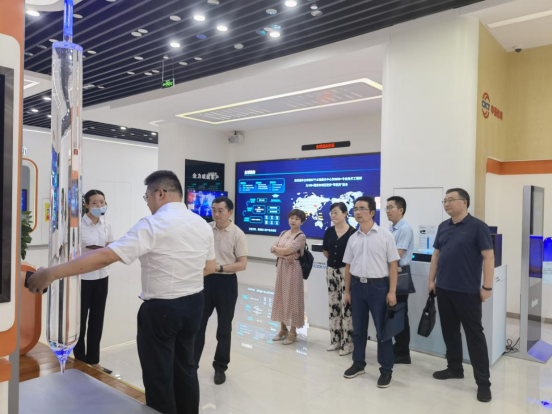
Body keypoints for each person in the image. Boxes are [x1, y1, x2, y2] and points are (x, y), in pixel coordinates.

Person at [28, 170, 216, 414]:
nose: (147, 203)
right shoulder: (201, 224)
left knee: (159, 375)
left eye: (147, 197)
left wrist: (52, 273)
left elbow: (106, 256)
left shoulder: (153, 224)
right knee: (186, 368)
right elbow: (209, 267)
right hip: (195, 304)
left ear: (160, 193)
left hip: (162, 310)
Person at [429, 188, 494, 403]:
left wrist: (487, 287)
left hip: (467, 291)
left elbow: (489, 257)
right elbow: (436, 255)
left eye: (451, 200)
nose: (446, 203)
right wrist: (432, 280)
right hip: (444, 289)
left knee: (474, 336)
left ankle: (483, 383)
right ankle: (455, 368)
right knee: (450, 332)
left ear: (464, 202)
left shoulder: (478, 226)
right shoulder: (443, 226)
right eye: (444, 200)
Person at [342, 196, 400, 388]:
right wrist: (347, 291)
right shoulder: (353, 238)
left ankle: (386, 371)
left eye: (362, 208)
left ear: (372, 212)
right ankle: (358, 364)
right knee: (358, 330)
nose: (357, 212)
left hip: (379, 287)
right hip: (357, 287)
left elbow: (393, 265)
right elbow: (348, 266)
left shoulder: (385, 236)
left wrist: (392, 291)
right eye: (355, 209)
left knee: (383, 331)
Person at [194, 197, 248, 386]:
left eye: (220, 211)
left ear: (230, 212)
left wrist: (219, 268)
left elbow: (242, 264)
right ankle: (191, 365)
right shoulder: (205, 229)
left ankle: (220, 367)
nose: (216, 214)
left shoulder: (237, 234)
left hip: (226, 283)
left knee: (224, 328)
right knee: (197, 325)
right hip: (205, 281)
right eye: (214, 210)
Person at [73, 189, 114, 373]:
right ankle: (80, 360)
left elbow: (110, 247)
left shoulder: (107, 224)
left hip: (102, 276)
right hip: (83, 277)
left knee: (97, 319)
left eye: (102, 202)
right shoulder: (78, 225)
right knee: (80, 321)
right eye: (95, 203)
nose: (99, 206)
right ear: (87, 205)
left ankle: (94, 360)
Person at [323, 202, 356, 356]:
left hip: (347, 272)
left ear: (345, 213)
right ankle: (335, 340)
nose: (333, 215)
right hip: (331, 271)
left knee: (346, 307)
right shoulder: (329, 231)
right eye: (331, 213)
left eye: (336, 212)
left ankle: (348, 343)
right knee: (333, 306)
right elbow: (326, 251)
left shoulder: (353, 233)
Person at [270, 209, 307, 345]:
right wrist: (284, 255)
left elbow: (288, 250)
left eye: (297, 219)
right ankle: (283, 329)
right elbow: (272, 249)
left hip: (293, 270)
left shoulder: (301, 236)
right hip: (281, 269)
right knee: (281, 297)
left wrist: (278, 251)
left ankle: (292, 332)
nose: (293, 220)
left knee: (292, 298)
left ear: (302, 222)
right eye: (292, 218)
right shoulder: (283, 233)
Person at [385, 196, 414, 364]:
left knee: (400, 313)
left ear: (401, 210)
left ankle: (403, 352)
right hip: (391, 272)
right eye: (387, 207)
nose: (388, 211)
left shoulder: (404, 229)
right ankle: (398, 348)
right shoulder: (392, 228)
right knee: (394, 313)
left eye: (391, 207)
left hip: (400, 274)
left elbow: (397, 255)